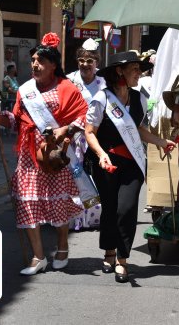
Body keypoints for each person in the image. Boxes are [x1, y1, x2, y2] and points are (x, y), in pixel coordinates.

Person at [0, 32, 87, 275]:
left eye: (41, 61)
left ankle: (62, 246)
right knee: (28, 203)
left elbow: (84, 117)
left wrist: (64, 130)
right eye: (33, 60)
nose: (35, 64)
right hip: (29, 155)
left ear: (53, 64)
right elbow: (16, 121)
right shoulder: (25, 90)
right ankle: (38, 256)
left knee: (59, 204)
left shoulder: (67, 88)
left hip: (55, 155)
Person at [84, 51, 176, 283]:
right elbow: (89, 132)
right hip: (106, 163)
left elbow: (139, 130)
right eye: (134, 69)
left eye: (139, 69)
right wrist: (101, 154)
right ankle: (109, 251)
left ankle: (122, 260)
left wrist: (161, 142)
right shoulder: (101, 99)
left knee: (126, 209)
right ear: (119, 71)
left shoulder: (140, 100)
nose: (139, 73)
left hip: (132, 164)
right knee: (110, 209)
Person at [66, 38, 107, 230]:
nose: (85, 64)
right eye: (82, 60)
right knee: (75, 177)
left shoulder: (104, 82)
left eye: (89, 61)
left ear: (96, 62)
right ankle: (76, 217)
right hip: (74, 137)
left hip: (97, 136)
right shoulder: (69, 80)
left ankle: (94, 215)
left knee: (97, 176)